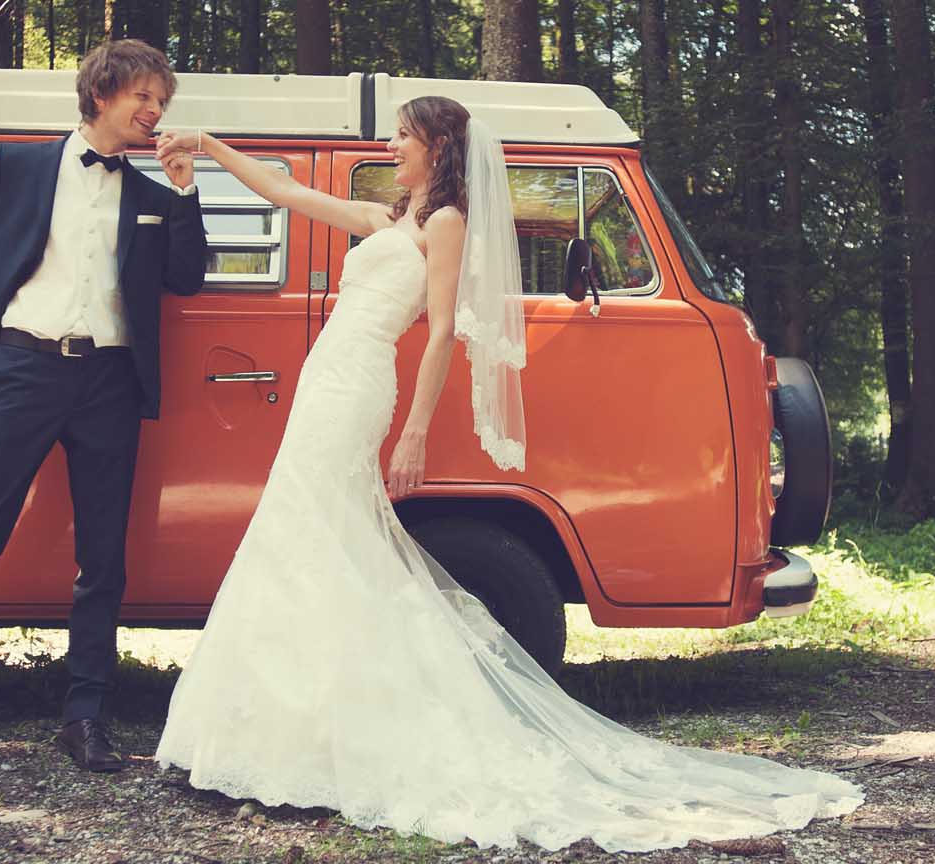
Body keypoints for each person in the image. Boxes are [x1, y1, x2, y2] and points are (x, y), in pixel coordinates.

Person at [148, 97, 862, 852]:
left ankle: (305, 723)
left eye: (401, 135)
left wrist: (417, 428)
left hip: (359, 381)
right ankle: (284, 723)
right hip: (329, 377)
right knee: (308, 530)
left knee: (317, 527)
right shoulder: (393, 219)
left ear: (436, 145)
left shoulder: (445, 223)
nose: (390, 145)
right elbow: (288, 193)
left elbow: (444, 327)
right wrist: (207, 145)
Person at [0, 39, 208, 781]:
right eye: (144, 97)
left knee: (102, 558)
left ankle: (85, 718)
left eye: (162, 102)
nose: (155, 112)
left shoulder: (155, 194)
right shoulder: (20, 165)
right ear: (102, 94)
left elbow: (187, 281)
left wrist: (187, 190)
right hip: (25, 368)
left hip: (110, 383)